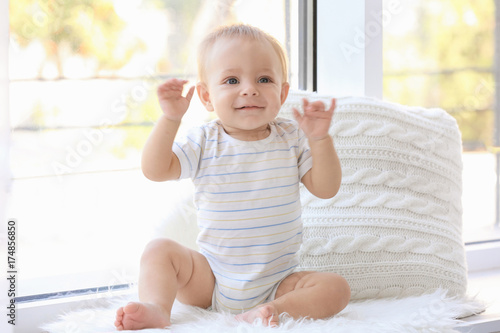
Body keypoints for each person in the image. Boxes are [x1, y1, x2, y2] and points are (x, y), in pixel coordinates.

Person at [115, 23, 350, 331]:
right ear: (206, 96)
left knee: (336, 288)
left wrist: (320, 140)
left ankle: (271, 310)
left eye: (264, 79)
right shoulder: (204, 141)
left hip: (279, 281)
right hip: (210, 278)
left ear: (282, 93)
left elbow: (326, 189)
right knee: (158, 250)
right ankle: (158, 308)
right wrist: (171, 118)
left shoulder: (291, 138)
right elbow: (156, 170)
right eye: (231, 80)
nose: (249, 88)